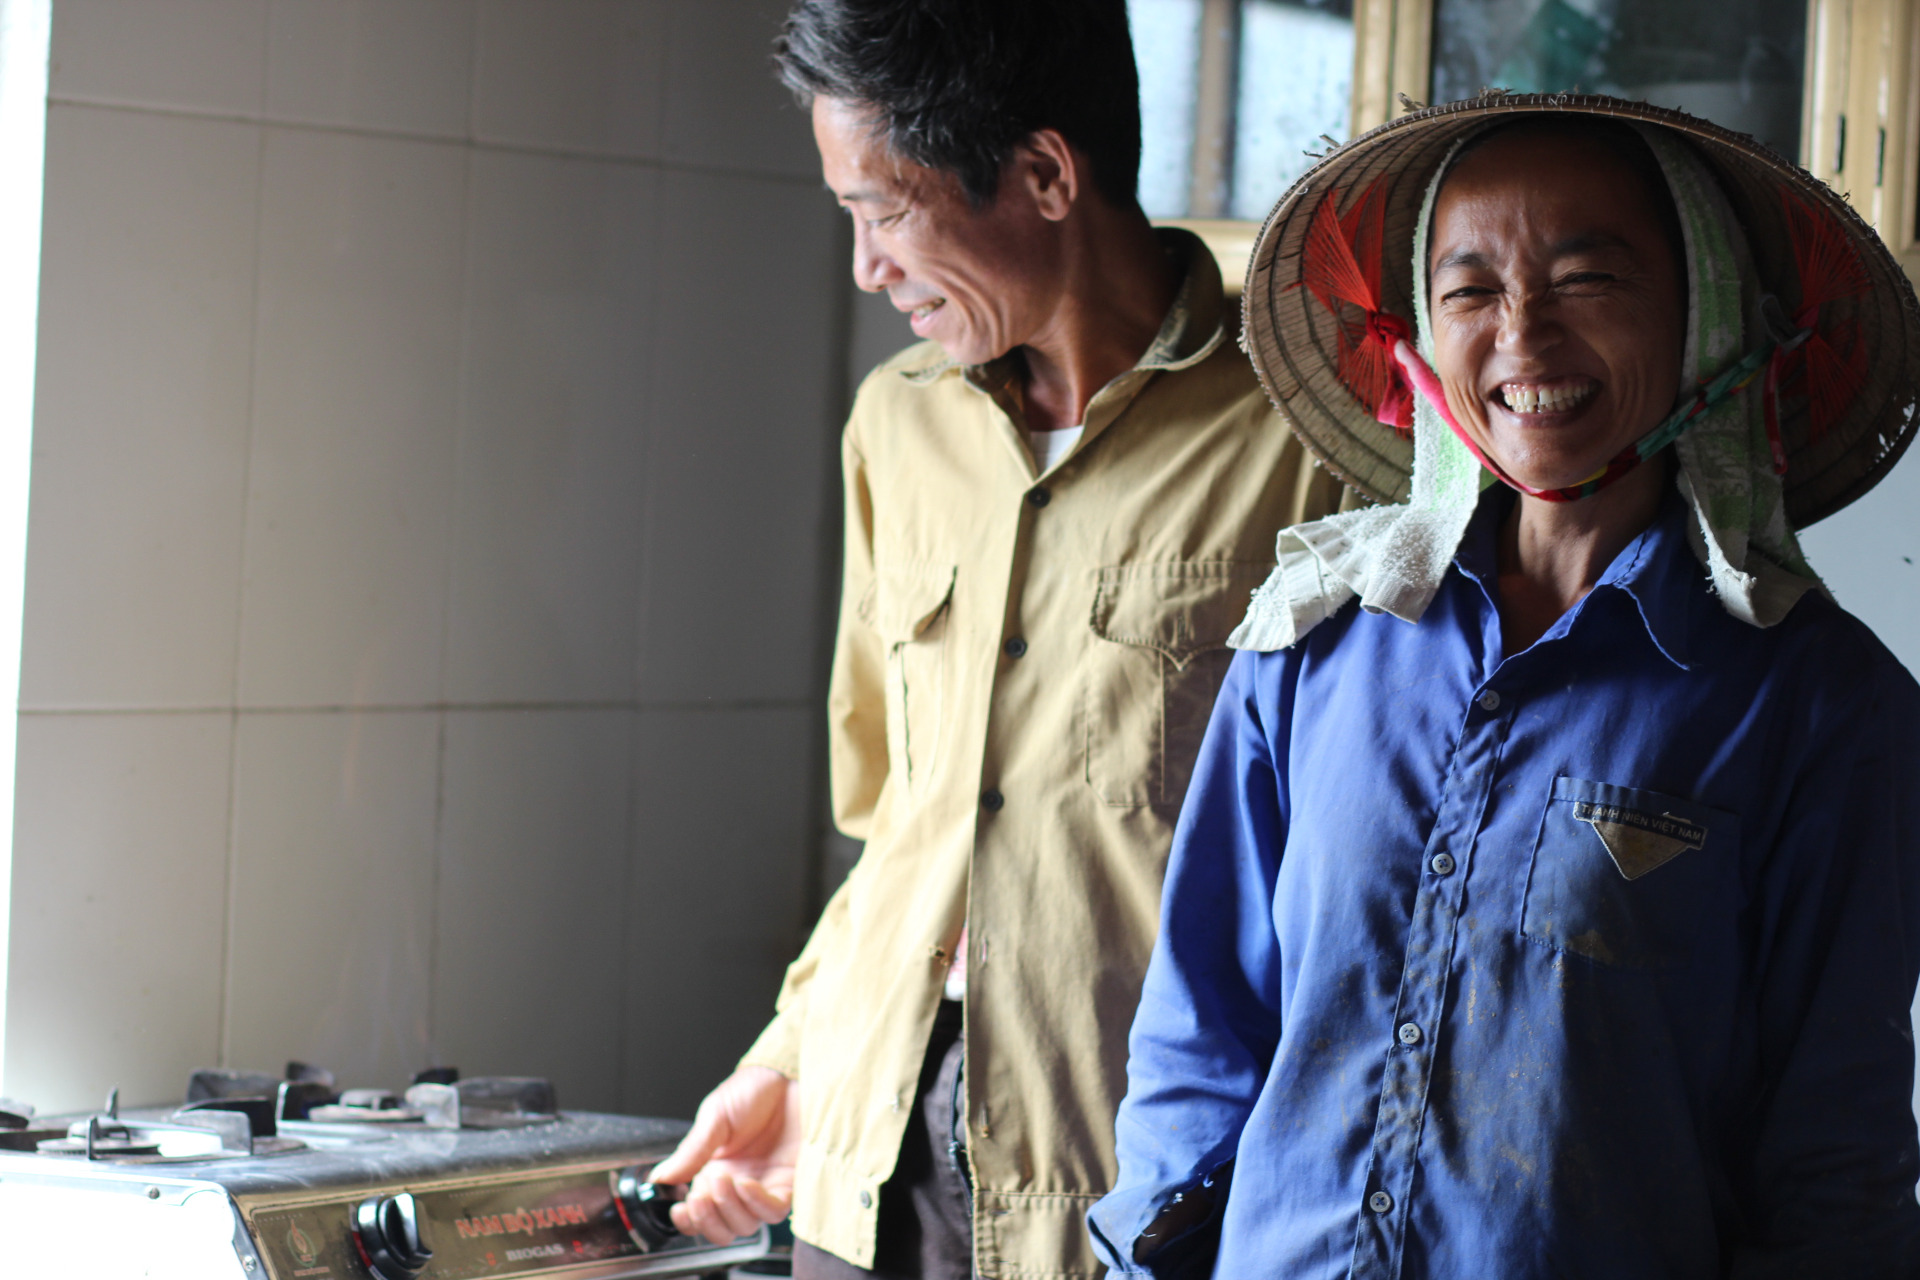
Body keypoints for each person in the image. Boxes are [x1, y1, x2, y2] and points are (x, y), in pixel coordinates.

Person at [1089, 94, 1920, 1277]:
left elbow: (1836, 1172)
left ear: (1704, 319)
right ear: (1420, 339)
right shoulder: (1308, 651)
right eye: (1470, 289)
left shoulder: (1820, 706)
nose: (1522, 338)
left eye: (1587, 279)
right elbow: (1198, 1043)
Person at [646, 3, 1348, 1278]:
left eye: (884, 211)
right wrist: (792, 1063)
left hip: (1146, 1192)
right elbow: (902, 827)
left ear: (1044, 174)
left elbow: (1359, 884)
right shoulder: (895, 428)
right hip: (874, 1176)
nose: (865, 266)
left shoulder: (1311, 443)